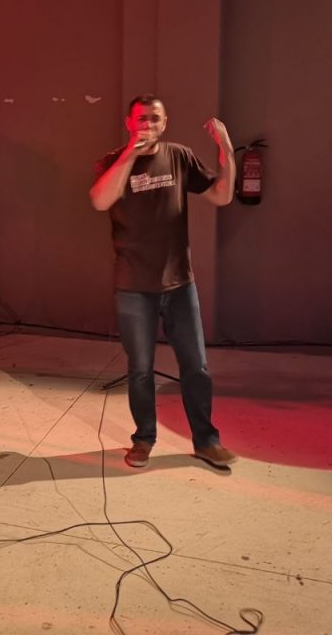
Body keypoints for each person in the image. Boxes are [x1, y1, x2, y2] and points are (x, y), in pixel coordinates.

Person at [89, 95, 238, 469]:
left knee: (196, 366)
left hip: (179, 283)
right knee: (140, 369)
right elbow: (101, 201)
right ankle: (143, 440)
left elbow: (222, 195)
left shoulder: (179, 156)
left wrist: (225, 148)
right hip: (133, 286)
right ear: (129, 123)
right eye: (141, 119)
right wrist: (130, 154)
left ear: (165, 122)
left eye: (154, 119)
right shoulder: (111, 161)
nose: (148, 125)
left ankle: (206, 441)